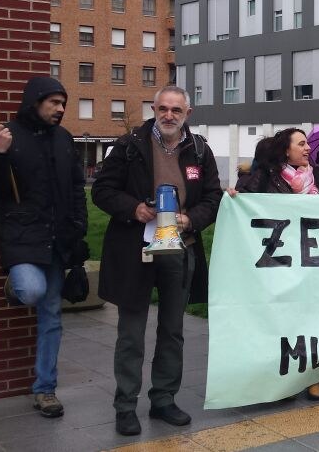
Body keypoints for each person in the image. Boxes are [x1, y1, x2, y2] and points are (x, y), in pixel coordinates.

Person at [92, 86, 222, 436]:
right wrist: (133, 208)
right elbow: (101, 190)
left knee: (173, 331)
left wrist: (190, 218)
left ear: (187, 114)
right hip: (137, 248)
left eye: (175, 110)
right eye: (163, 108)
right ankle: (125, 405)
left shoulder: (199, 150)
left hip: (181, 247)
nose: (168, 115)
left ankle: (164, 398)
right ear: (154, 108)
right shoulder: (129, 145)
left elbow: (213, 196)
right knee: (131, 333)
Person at [0, 77, 87, 419]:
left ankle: (45, 390)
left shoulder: (65, 139)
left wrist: (79, 228)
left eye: (63, 104)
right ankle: (14, 283)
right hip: (23, 236)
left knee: (51, 315)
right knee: (31, 291)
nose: (60, 109)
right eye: (54, 102)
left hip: (58, 241)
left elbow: (76, 187)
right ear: (35, 101)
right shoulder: (7, 135)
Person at [233, 127, 319, 399]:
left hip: (311, 259)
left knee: (312, 316)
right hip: (280, 260)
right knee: (284, 317)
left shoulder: (316, 176)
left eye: (307, 143)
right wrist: (234, 197)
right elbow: (244, 195)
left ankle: (312, 374)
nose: (308, 148)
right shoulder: (267, 176)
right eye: (301, 144)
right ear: (286, 150)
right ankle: (283, 376)